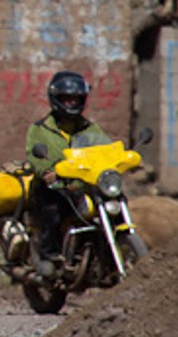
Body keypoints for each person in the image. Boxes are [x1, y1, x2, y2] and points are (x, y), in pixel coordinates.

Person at [23, 71, 112, 275]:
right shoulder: (40, 129)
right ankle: (48, 255)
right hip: (53, 189)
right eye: (67, 99)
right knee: (52, 210)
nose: (71, 103)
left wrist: (124, 160)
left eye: (76, 99)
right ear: (56, 99)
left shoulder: (89, 129)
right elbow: (35, 156)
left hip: (82, 188)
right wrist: (47, 171)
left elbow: (106, 148)